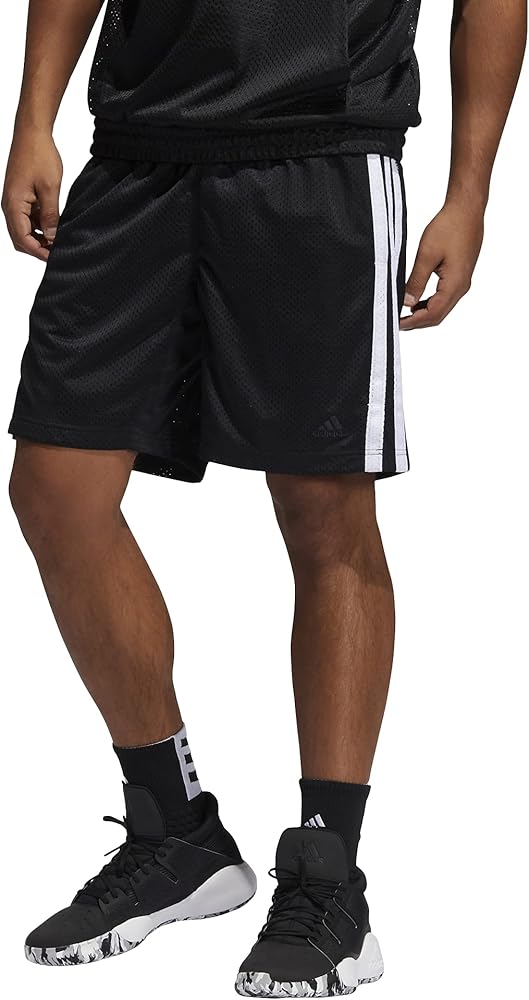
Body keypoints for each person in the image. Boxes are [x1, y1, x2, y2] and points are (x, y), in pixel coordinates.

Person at [2, 0, 526, 993]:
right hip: (138, 145)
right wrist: (35, 115)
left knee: (325, 514)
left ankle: (328, 879)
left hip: (322, 149)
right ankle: (174, 831)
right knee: (54, 490)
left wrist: (468, 191)